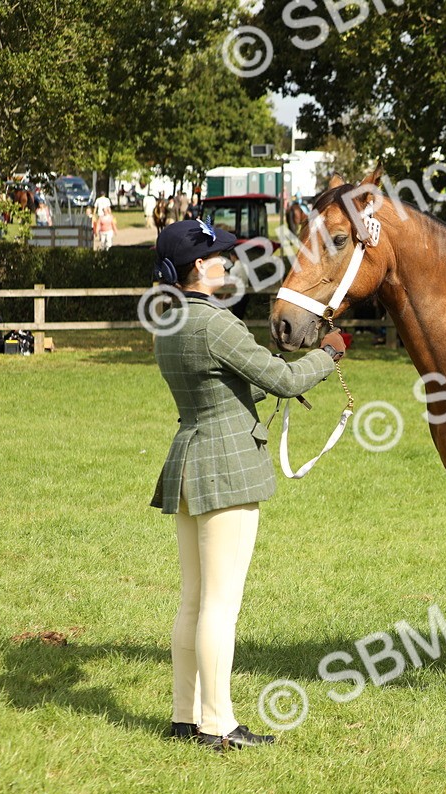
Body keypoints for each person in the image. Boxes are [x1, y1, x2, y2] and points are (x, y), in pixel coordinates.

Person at [148, 219, 346, 752]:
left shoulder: (170, 322)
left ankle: (184, 717)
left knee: (193, 601)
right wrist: (328, 354)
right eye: (221, 258)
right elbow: (281, 377)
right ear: (197, 268)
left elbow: (216, 390)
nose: (230, 264)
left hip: (190, 459)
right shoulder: (216, 323)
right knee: (220, 605)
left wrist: (255, 395)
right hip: (227, 467)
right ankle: (219, 724)